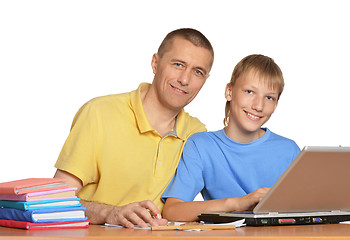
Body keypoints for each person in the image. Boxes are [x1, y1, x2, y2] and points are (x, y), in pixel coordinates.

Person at [53, 28, 214, 228]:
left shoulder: (196, 133)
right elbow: (55, 202)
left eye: (198, 72)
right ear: (155, 63)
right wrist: (109, 213)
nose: (185, 80)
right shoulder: (99, 113)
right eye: (178, 64)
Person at [162, 54, 300, 221]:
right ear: (229, 91)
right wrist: (237, 203)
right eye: (249, 92)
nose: (258, 106)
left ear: (276, 105)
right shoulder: (201, 146)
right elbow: (172, 211)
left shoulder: (288, 150)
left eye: (269, 98)